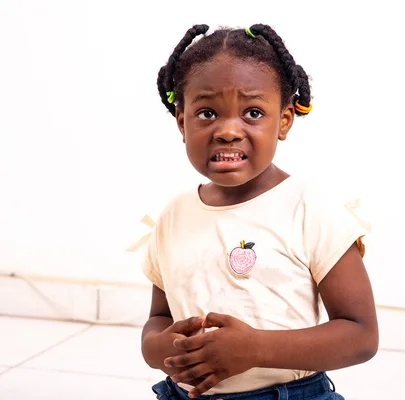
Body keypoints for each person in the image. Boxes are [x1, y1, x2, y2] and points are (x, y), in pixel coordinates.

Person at [140, 23, 379, 400]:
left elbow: (361, 334)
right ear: (182, 123)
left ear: (283, 121)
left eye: (252, 112)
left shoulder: (310, 208)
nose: (228, 131)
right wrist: (158, 348)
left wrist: (254, 350)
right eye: (206, 113)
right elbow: (158, 318)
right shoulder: (174, 215)